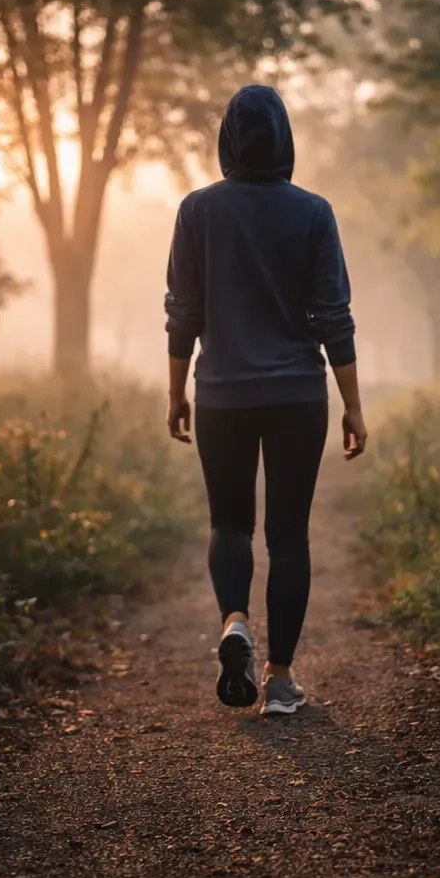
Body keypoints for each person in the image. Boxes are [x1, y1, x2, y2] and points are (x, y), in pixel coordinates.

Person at [164, 84, 367, 716]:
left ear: (227, 140)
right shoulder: (313, 212)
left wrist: (177, 393)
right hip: (297, 396)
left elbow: (183, 312)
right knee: (288, 535)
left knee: (229, 524)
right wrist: (353, 405)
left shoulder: (196, 211)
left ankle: (234, 621)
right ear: (284, 141)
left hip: (221, 394)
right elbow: (334, 316)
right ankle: (280, 679)